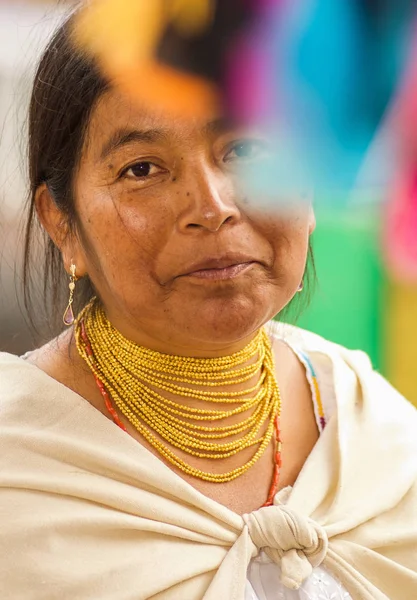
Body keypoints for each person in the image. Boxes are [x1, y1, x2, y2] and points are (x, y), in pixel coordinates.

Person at [0, 11, 416, 600]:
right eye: (141, 169)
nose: (212, 204)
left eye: (246, 148)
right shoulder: (15, 466)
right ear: (61, 223)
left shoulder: (376, 431)